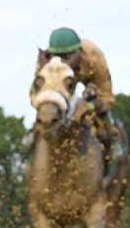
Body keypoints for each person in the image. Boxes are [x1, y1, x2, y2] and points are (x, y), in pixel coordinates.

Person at [34, 27, 117, 171]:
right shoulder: (45, 62)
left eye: (67, 57)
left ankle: (111, 153)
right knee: (44, 117)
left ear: (79, 53)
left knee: (103, 122)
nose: (62, 63)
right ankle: (30, 156)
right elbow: (34, 94)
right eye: (57, 57)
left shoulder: (94, 57)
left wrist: (89, 106)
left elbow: (107, 97)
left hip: (89, 81)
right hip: (60, 90)